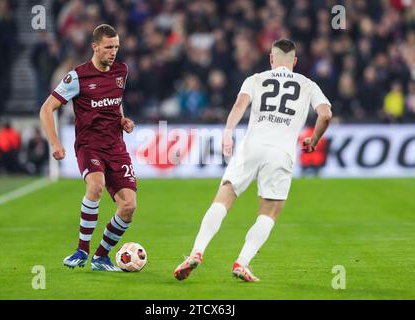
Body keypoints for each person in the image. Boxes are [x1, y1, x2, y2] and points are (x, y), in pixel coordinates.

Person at [174, 39, 332, 282]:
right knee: (269, 212)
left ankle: (197, 251)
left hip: (251, 146)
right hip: (281, 152)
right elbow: (326, 114)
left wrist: (227, 133)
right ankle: (242, 262)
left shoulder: (256, 79)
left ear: (271, 59)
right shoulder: (308, 84)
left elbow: (239, 105)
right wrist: (313, 139)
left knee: (224, 197)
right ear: (295, 62)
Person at [39, 24, 137, 271]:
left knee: (128, 206)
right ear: (95, 47)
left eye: (116, 47)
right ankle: (82, 250)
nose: (113, 52)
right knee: (96, 186)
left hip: (116, 146)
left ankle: (101, 257)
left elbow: (116, 102)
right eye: (108, 47)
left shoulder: (121, 71)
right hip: (89, 145)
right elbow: (46, 108)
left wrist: (122, 119)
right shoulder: (77, 77)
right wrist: (55, 142)